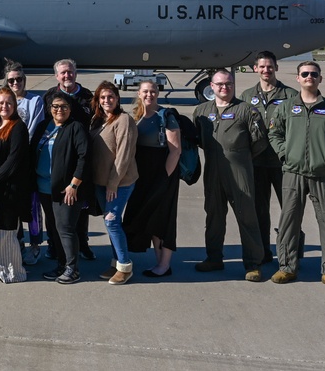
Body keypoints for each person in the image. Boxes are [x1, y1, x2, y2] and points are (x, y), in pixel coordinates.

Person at [269, 62, 325, 290]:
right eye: (304, 74)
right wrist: (285, 155)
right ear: (297, 78)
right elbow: (274, 133)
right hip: (293, 173)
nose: (309, 77)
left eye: (313, 74)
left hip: (322, 174)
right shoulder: (286, 107)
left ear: (320, 79)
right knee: (288, 220)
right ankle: (287, 266)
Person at [192, 68, 267, 282]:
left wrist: (239, 156)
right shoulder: (202, 111)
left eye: (228, 84)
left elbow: (259, 141)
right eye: (220, 84)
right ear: (212, 87)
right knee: (214, 216)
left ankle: (253, 264)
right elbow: (198, 138)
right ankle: (214, 257)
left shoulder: (246, 110)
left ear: (233, 85)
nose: (224, 87)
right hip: (212, 171)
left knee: (247, 216)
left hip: (239, 171)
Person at [240, 51, 298, 264]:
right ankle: (263, 251)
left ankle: (292, 254)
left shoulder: (291, 95)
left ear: (276, 68)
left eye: (270, 66)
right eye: (262, 67)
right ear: (255, 69)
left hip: (283, 163)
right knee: (259, 211)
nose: (266, 70)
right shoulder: (246, 96)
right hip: (256, 163)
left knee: (291, 209)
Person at [123, 81, 181, 277]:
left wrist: (164, 179)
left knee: (163, 219)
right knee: (149, 217)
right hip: (143, 176)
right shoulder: (139, 116)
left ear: (158, 93)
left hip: (163, 175)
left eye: (153, 91)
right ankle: (160, 263)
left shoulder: (166, 116)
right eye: (145, 91)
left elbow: (175, 151)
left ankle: (164, 265)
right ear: (139, 94)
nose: (149, 94)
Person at [32, 92, 90, 284]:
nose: (59, 110)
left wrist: (74, 184)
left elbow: (84, 157)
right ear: (50, 108)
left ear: (70, 109)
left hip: (67, 189)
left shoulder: (76, 128)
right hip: (44, 188)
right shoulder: (43, 126)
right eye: (56, 106)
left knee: (65, 228)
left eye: (64, 106)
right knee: (54, 229)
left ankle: (73, 269)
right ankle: (61, 264)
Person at [41, 59, 96, 261]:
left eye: (70, 72)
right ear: (57, 76)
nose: (67, 76)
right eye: (63, 73)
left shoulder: (88, 97)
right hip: (58, 160)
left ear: (76, 73)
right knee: (53, 209)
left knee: (80, 207)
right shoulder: (49, 96)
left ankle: (83, 243)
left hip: (80, 158)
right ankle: (54, 245)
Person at [0, 87, 31, 283]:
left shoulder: (18, 127)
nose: (4, 106)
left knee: (7, 230)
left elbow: (14, 160)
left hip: (10, 188)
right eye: (1, 102)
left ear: (15, 105)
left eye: (9, 103)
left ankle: (12, 271)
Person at [89, 81, 138, 285]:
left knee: (111, 221)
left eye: (110, 97)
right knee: (110, 224)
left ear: (117, 98)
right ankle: (116, 262)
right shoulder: (98, 119)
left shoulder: (123, 120)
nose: (106, 100)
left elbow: (124, 155)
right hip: (100, 182)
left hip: (119, 182)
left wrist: (113, 183)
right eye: (102, 98)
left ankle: (125, 266)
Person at [3, 61, 44, 266]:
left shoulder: (34, 101)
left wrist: (18, 148)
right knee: (13, 204)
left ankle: (35, 245)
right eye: (11, 80)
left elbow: (34, 128)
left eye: (19, 79)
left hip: (28, 161)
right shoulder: (3, 101)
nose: (16, 83)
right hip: (9, 162)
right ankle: (17, 242)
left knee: (33, 205)